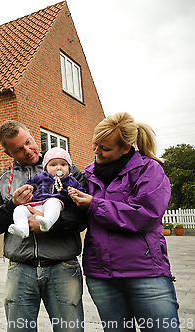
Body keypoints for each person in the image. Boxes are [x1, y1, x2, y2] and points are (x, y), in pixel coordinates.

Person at [68, 112, 180, 332]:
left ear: (126, 148)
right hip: (101, 276)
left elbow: (145, 215)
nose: (96, 151)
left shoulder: (150, 169)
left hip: (145, 274)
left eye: (105, 148)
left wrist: (93, 205)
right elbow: (78, 218)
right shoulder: (88, 174)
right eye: (95, 144)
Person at [0, 120, 87, 332]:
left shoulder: (64, 166)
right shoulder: (1, 180)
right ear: (7, 152)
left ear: (31, 134)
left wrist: (50, 225)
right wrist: (12, 204)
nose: (28, 151)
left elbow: (83, 215)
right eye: (18, 149)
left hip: (63, 267)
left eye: (28, 142)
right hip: (20, 270)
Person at [9, 147, 86, 238]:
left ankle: (47, 222)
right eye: (53, 165)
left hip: (57, 205)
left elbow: (82, 193)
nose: (58, 168)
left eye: (63, 164)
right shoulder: (41, 176)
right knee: (19, 209)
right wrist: (28, 188)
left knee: (52, 202)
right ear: (46, 168)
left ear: (69, 168)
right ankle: (22, 229)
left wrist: (75, 194)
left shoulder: (70, 180)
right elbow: (30, 183)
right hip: (37, 204)